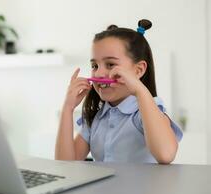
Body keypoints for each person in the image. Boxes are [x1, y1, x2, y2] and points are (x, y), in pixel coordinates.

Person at [55, 19, 183, 164]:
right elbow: (65, 166)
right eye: (94, 65)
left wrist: (140, 90)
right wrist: (68, 108)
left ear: (138, 70)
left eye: (110, 64)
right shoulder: (96, 118)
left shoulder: (146, 112)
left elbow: (165, 154)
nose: (98, 74)